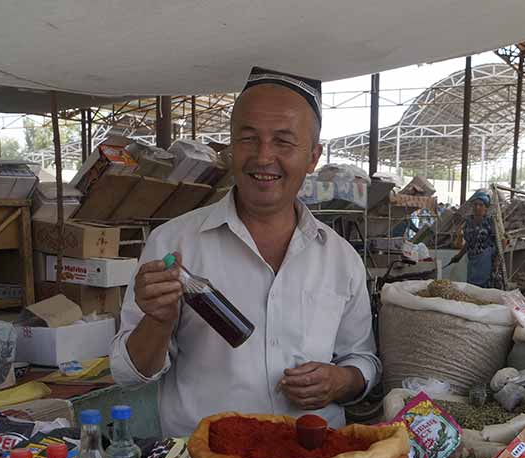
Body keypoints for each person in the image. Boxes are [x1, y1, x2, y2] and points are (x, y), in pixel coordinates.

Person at [110, 66, 380, 437]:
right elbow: (128, 375)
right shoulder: (173, 245)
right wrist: (157, 321)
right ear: (231, 148)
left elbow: (363, 360)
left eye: (284, 142)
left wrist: (341, 380)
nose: (264, 157)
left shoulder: (341, 259)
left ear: (313, 156)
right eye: (248, 139)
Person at [446, 190, 496, 287]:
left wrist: (497, 261)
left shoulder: (490, 222)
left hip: (485, 259)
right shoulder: (468, 222)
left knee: (483, 287)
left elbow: (501, 240)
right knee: (471, 286)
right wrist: (459, 256)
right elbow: (468, 242)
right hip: (472, 260)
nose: (477, 207)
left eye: (481, 205)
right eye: (475, 204)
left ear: (485, 208)